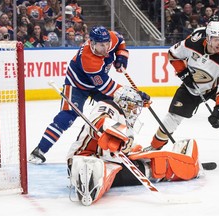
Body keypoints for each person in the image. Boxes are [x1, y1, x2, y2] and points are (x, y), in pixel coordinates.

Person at [29, 26, 149, 164]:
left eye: (107, 44)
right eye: (101, 45)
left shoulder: (112, 38)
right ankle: (40, 150)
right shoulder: (89, 59)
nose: (105, 48)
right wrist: (134, 94)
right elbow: (106, 87)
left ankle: (123, 145)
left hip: (97, 84)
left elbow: (120, 42)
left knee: (121, 108)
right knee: (67, 116)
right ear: (92, 43)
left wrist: (122, 57)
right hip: (76, 85)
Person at [67, 86, 200, 206]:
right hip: (82, 157)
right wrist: (115, 135)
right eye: (132, 106)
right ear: (123, 103)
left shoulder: (124, 121)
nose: (135, 111)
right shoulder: (108, 106)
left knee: (152, 163)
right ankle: (88, 174)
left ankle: (187, 163)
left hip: (106, 160)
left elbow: (121, 147)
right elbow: (99, 122)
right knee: (110, 169)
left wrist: (132, 148)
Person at [146, 19, 219, 163]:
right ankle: (154, 147)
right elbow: (173, 54)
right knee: (173, 117)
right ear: (207, 38)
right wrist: (182, 72)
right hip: (191, 87)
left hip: (214, 87)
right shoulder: (192, 43)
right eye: (215, 39)